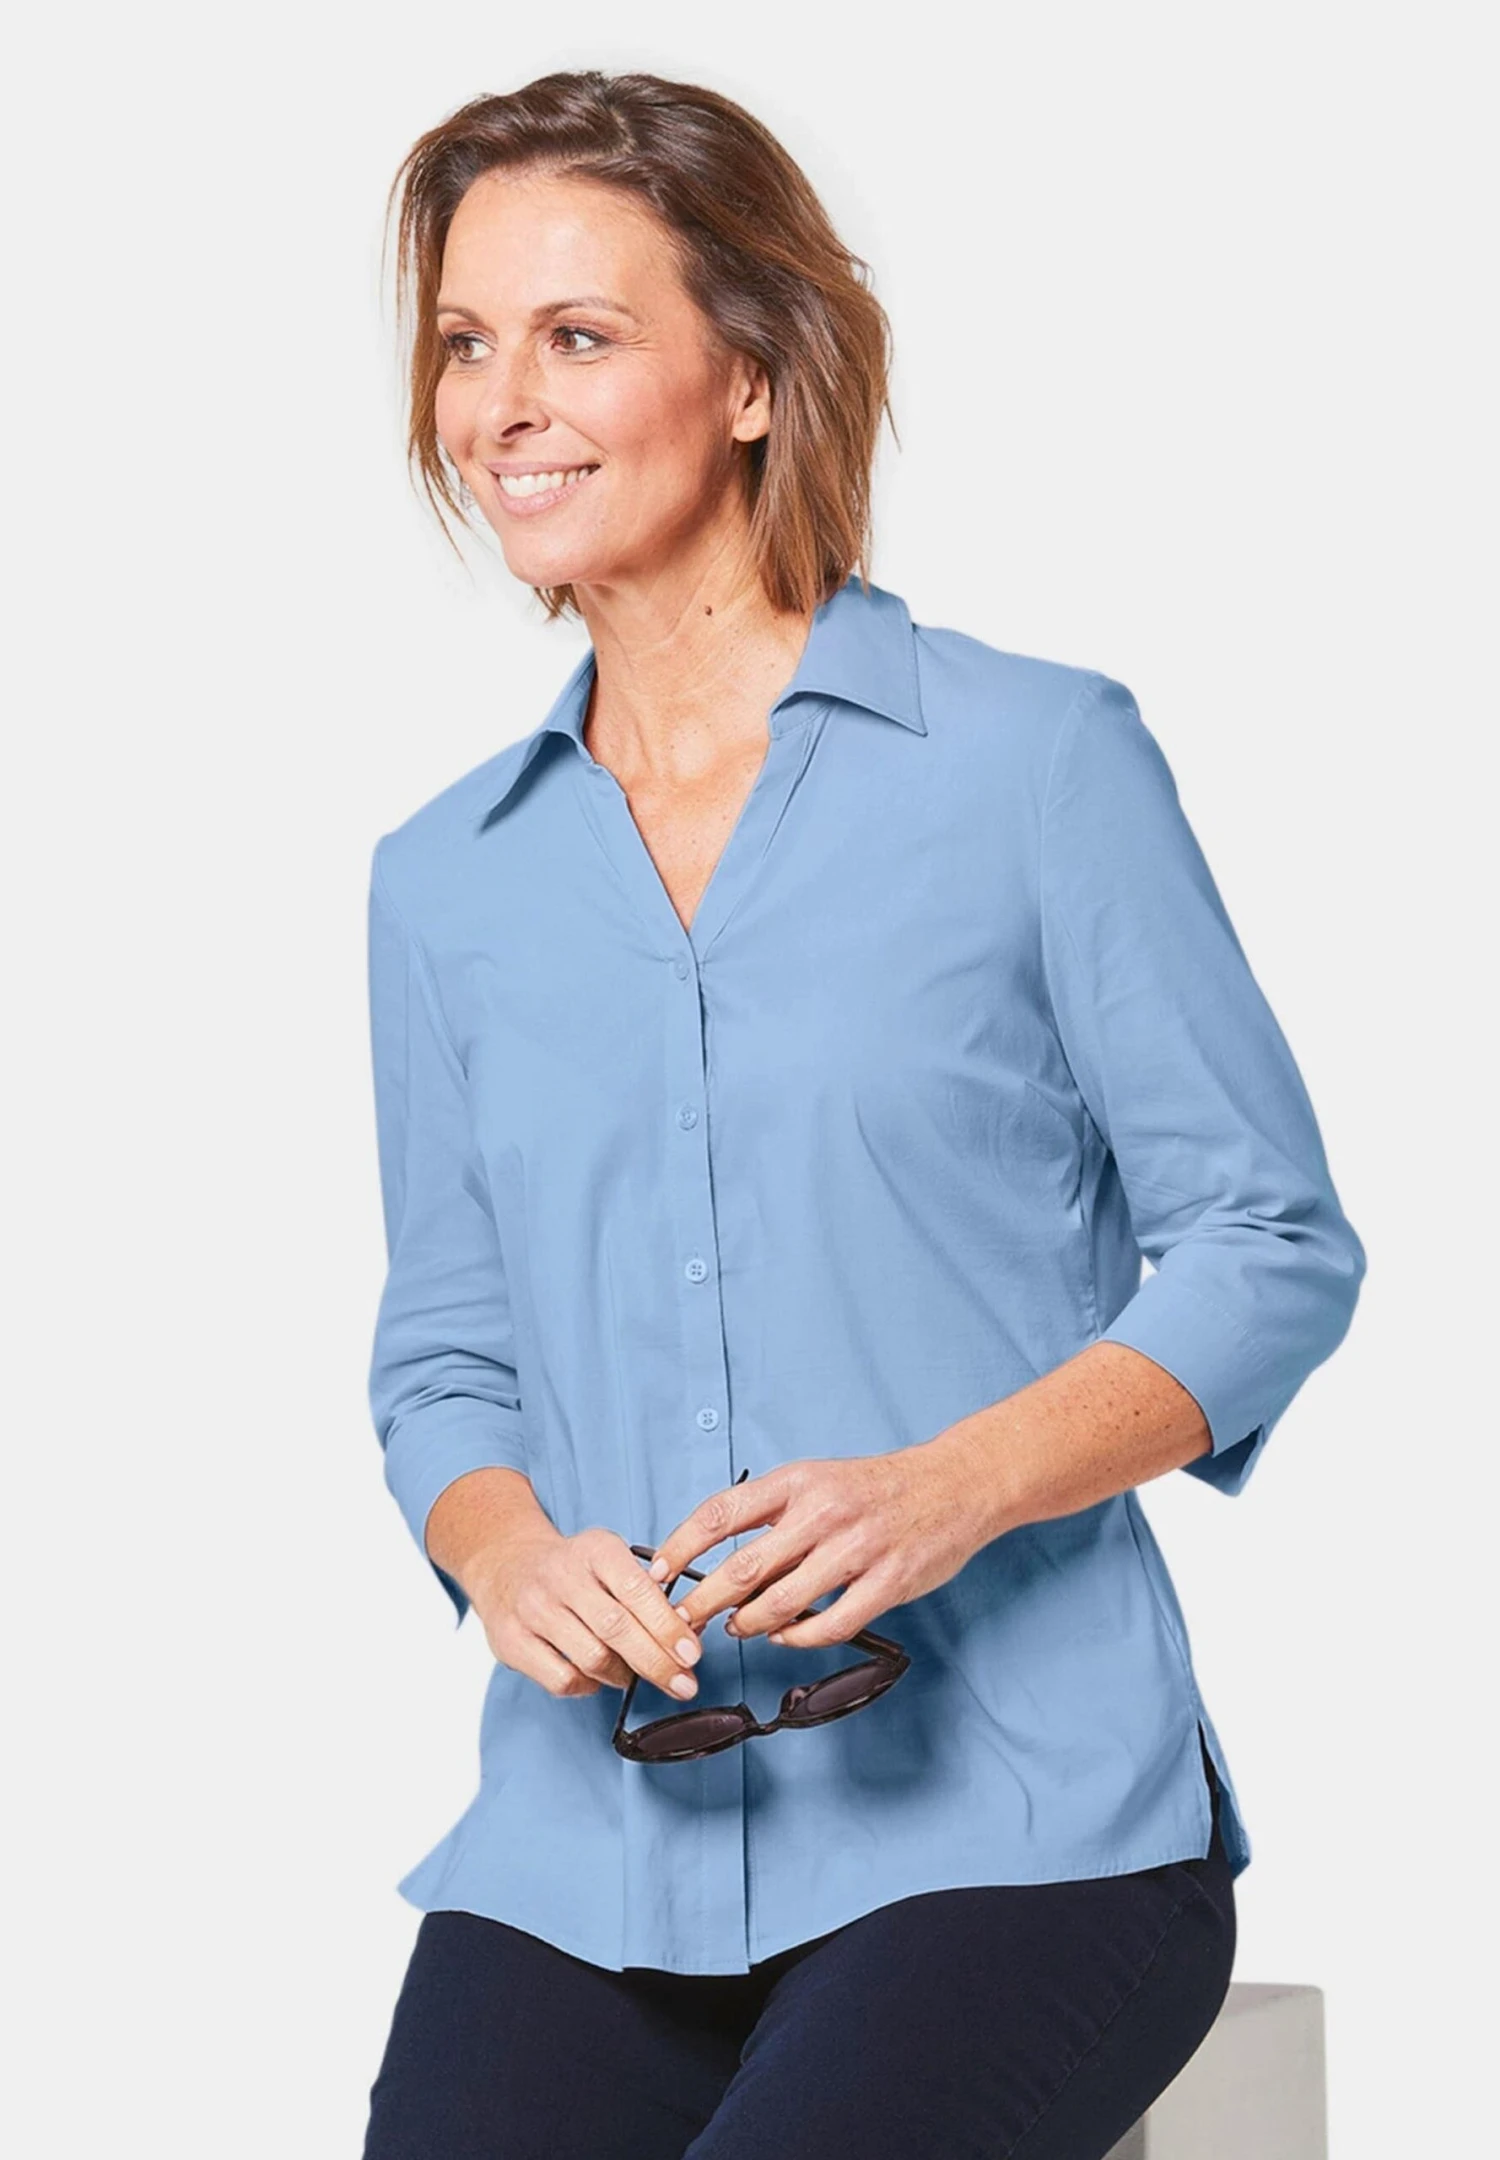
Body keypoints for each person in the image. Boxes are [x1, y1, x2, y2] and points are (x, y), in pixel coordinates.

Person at [359, 68, 1365, 2160]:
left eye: (578, 336)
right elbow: (446, 1353)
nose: (501, 406)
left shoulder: (1032, 765)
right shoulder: (447, 879)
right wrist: (506, 1550)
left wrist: (955, 1488)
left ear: (751, 376)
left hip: (1020, 1826)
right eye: (465, 342)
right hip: (587, 1848)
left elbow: (1269, 1244)